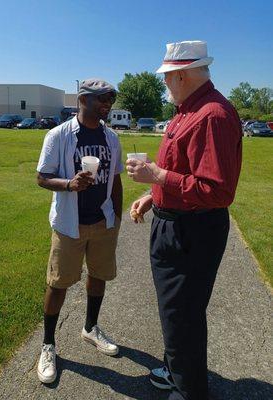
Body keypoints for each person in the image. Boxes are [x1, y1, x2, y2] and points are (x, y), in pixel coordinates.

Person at [127, 40, 242, 400]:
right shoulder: (187, 110)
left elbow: (218, 191)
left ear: (181, 76)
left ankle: (189, 390)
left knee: (183, 315)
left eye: (167, 78)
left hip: (191, 230)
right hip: (175, 222)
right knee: (175, 311)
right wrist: (152, 195)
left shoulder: (212, 115)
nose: (164, 84)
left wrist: (158, 178)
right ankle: (177, 370)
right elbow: (184, 171)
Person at [36, 78, 123, 384]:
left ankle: (90, 328)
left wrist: (117, 218)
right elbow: (42, 178)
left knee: (98, 276)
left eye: (110, 99)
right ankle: (48, 345)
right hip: (68, 225)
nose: (107, 104)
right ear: (83, 100)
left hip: (102, 222)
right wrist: (69, 184)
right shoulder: (58, 136)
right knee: (58, 284)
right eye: (102, 99)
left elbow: (117, 180)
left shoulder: (112, 138)